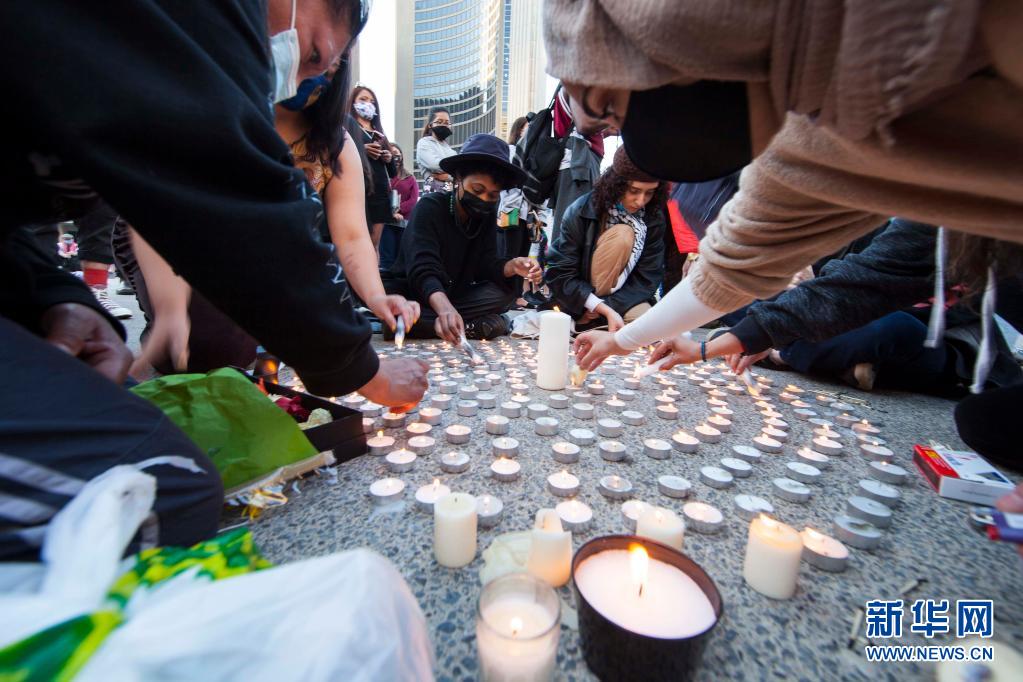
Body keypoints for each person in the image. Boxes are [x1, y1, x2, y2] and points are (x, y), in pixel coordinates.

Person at [0, 0, 429, 560]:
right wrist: (361, 370)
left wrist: (55, 296)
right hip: (183, 255)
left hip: (211, 257)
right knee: (170, 480)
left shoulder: (330, 138)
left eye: (322, 72)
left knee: (153, 414)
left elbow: (348, 237)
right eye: (311, 53)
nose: (301, 79)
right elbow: (193, 212)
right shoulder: (200, 43)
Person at [544, 1, 1023, 381]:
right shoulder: (809, 141)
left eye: (610, 106)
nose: (619, 132)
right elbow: (732, 270)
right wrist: (624, 341)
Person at [383, 134, 543, 342]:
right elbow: (423, 269)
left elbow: (486, 265)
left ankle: (427, 325)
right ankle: (464, 326)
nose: (484, 199)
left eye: (493, 195)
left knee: (503, 295)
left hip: (455, 295)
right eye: (477, 190)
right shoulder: (430, 207)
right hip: (417, 294)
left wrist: (511, 266)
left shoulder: (486, 216)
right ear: (458, 179)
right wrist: (444, 309)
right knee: (400, 308)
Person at [545, 146, 667, 332]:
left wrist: (605, 307)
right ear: (617, 184)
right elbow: (561, 273)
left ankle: (596, 322)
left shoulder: (654, 218)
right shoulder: (580, 210)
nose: (641, 201)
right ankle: (592, 321)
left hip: (625, 300)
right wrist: (593, 304)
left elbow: (647, 278)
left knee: (655, 330)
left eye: (649, 193)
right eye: (634, 190)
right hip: (578, 301)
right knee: (623, 234)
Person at [549, 89, 605, 242]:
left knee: (577, 228)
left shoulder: (576, 87)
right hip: (577, 165)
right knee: (573, 228)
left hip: (579, 162)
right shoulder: (576, 86)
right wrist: (616, 117)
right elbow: (584, 124)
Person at [349, 85, 395, 251]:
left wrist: (388, 158)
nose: (368, 104)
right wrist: (362, 149)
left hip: (380, 193)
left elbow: (393, 172)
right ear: (353, 102)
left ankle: (374, 268)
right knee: (357, 241)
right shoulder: (348, 126)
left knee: (374, 244)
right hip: (358, 190)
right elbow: (337, 153)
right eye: (363, 99)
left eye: (372, 101)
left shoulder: (379, 132)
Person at [380, 144, 419, 269]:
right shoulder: (382, 174)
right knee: (387, 259)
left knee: (402, 258)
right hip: (387, 221)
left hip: (404, 223)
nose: (395, 158)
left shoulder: (410, 178)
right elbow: (379, 196)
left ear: (401, 157)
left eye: (397, 155)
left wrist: (398, 210)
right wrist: (391, 212)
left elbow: (413, 200)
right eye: (392, 155)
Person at [416, 106, 456, 194]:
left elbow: (460, 172)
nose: (444, 125)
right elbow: (434, 165)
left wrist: (448, 176)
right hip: (433, 191)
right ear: (430, 125)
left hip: (452, 192)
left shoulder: (452, 151)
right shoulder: (424, 143)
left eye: (447, 123)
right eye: (439, 122)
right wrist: (454, 173)